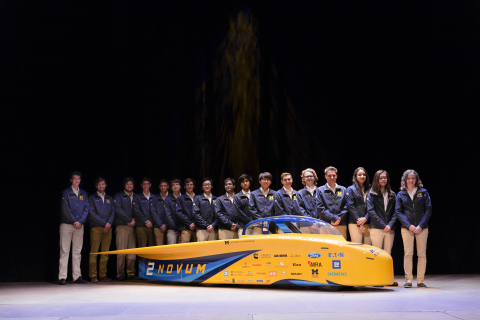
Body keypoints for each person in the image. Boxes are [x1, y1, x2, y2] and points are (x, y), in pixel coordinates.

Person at [395, 169, 432, 288]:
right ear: (405, 180)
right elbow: (398, 212)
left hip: (422, 228)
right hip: (407, 228)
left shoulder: (423, 192)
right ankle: (409, 280)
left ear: (417, 179)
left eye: (413, 178)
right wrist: (409, 225)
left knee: (421, 254)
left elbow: (428, 209)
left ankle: (420, 280)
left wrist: (420, 225)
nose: (411, 180)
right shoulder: (401, 194)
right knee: (408, 254)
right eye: (409, 178)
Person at [367, 170, 398, 286]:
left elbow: (396, 212)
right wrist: (383, 225)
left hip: (390, 229)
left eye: (385, 177)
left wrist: (389, 225)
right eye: (380, 178)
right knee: (377, 255)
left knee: (387, 255)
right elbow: (371, 211)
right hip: (376, 228)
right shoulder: (372, 194)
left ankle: (387, 279)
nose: (383, 180)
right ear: (376, 180)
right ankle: (376, 279)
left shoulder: (392, 194)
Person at [58, 171, 89, 285]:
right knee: (65, 250)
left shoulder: (84, 194)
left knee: (77, 251)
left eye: (79, 178)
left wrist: (80, 221)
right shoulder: (66, 192)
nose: (77, 180)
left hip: (79, 226)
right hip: (66, 225)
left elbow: (86, 209)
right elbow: (65, 209)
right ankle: (62, 276)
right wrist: (74, 221)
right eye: (75, 178)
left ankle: (77, 276)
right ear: (71, 180)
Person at [88, 177, 115, 282]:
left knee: (105, 252)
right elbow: (92, 214)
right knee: (94, 252)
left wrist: (108, 224)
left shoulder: (109, 198)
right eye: (99, 184)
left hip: (108, 229)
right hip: (96, 228)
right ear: (96, 186)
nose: (101, 186)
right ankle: (93, 275)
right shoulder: (92, 198)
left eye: (103, 184)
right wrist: (105, 224)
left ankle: (103, 274)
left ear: (106, 185)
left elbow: (113, 212)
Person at [113, 177, 139, 281]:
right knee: (121, 251)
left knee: (132, 252)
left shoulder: (136, 196)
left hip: (133, 227)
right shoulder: (119, 196)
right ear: (124, 185)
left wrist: (135, 220)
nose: (129, 186)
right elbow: (118, 209)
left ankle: (131, 273)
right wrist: (129, 219)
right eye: (127, 184)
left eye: (131, 184)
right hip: (122, 226)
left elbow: (139, 210)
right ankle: (120, 274)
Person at [315, 166, 348, 239]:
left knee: (342, 247)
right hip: (325, 224)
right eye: (329, 176)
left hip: (341, 223)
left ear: (336, 176)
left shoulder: (343, 189)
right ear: (325, 177)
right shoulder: (320, 190)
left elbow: (347, 206)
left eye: (333, 175)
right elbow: (320, 208)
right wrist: (333, 218)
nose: (332, 177)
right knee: (326, 247)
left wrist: (339, 218)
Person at [346, 167, 372, 244]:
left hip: (368, 222)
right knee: (357, 247)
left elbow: (373, 206)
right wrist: (360, 222)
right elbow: (350, 206)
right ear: (355, 177)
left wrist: (366, 218)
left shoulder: (370, 189)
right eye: (359, 175)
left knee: (368, 249)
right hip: (355, 223)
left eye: (364, 174)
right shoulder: (350, 189)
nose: (362, 176)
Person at [132, 177, 156, 247]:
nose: (146, 186)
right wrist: (146, 221)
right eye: (144, 184)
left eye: (147, 184)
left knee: (152, 248)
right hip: (141, 226)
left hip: (152, 226)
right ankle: (142, 259)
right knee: (142, 247)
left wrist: (151, 221)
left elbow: (156, 211)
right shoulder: (137, 198)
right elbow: (137, 212)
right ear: (141, 185)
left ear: (150, 185)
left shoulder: (154, 197)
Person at [175, 178, 197, 243]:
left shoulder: (198, 198)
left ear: (194, 186)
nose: (189, 186)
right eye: (187, 185)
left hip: (197, 228)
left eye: (191, 184)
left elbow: (201, 213)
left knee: (197, 250)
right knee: (185, 250)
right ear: (184, 186)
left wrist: (195, 223)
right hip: (185, 228)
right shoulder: (180, 198)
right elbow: (179, 213)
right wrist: (189, 223)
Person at [164, 179, 182, 244]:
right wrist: (175, 228)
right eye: (173, 185)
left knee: (182, 251)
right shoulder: (167, 200)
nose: (175, 186)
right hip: (172, 229)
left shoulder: (184, 198)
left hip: (183, 228)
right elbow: (168, 215)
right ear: (171, 188)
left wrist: (181, 228)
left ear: (180, 186)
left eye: (177, 184)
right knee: (172, 251)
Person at [153, 179, 168, 246]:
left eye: (165, 186)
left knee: (170, 249)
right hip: (158, 226)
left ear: (168, 186)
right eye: (161, 186)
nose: (163, 187)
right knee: (159, 248)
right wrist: (161, 225)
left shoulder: (171, 197)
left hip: (170, 226)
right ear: (159, 187)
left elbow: (173, 213)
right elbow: (153, 212)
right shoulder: (155, 198)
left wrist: (167, 224)